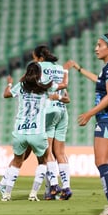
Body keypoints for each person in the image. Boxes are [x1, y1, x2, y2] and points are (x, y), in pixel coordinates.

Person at [67, 33, 108, 215]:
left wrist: (89, 113)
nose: (96, 48)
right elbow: (99, 81)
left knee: (101, 162)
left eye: (99, 45)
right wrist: (79, 68)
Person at [0, 62, 68, 201]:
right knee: (43, 161)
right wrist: (65, 73)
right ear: (40, 74)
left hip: (20, 131)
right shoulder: (44, 87)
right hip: (37, 132)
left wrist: (10, 83)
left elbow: (6, 94)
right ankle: (34, 193)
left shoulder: (21, 86)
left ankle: (6, 194)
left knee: (17, 161)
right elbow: (63, 85)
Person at [32, 45, 73, 200]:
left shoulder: (38, 67)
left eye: (34, 57)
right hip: (62, 111)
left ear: (40, 58)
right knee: (60, 153)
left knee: (47, 152)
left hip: (47, 111)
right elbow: (65, 94)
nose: (33, 61)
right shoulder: (59, 68)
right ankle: (67, 187)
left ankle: (54, 186)